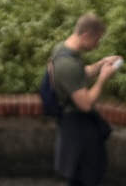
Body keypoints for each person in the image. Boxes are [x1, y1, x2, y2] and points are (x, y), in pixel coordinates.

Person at [49, 13, 120, 186]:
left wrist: (101, 63)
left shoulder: (62, 50)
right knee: (88, 175)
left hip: (73, 125)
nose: (97, 45)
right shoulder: (68, 65)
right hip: (78, 127)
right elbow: (86, 104)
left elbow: (80, 75)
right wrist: (103, 78)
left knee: (79, 177)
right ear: (86, 35)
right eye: (97, 39)